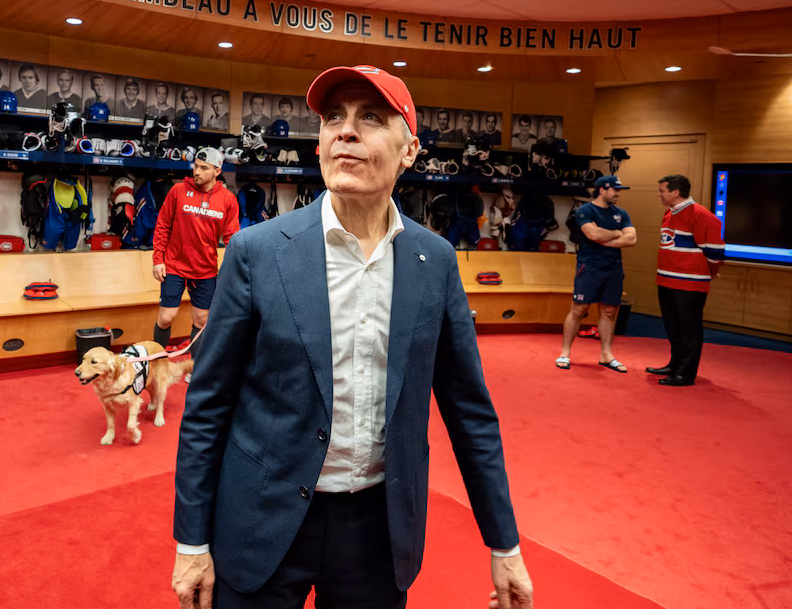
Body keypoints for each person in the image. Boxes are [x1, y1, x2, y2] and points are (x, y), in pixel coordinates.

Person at [172, 64, 532, 609]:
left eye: (371, 118)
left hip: (378, 531)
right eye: (333, 118)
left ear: (409, 151)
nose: (345, 130)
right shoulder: (257, 252)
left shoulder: (434, 262)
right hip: (261, 516)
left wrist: (503, 543)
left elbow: (469, 412)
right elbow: (208, 404)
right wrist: (191, 540)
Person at [151, 146, 239, 356]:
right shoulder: (177, 191)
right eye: (196, 166)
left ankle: (195, 369)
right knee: (166, 317)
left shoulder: (228, 200)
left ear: (217, 171)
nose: (196, 172)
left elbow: (232, 239)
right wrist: (158, 259)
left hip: (205, 270)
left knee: (201, 320)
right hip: (174, 266)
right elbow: (163, 225)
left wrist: (235, 268)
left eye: (203, 168)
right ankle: (156, 362)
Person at [648, 174, 725, 386]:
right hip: (666, 280)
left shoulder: (701, 215)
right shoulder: (669, 213)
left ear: (676, 192)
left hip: (690, 283)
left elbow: (716, 252)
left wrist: (709, 271)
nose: (660, 195)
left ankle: (686, 373)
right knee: (673, 326)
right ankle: (675, 364)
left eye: (663, 191)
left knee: (689, 328)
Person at [557, 175, 637, 372]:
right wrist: (618, 233)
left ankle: (606, 355)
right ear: (602, 190)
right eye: (615, 190)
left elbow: (632, 238)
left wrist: (606, 238)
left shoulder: (621, 213)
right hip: (590, 266)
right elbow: (593, 235)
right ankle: (565, 352)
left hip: (614, 267)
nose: (618, 194)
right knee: (579, 309)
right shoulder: (585, 211)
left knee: (609, 311)